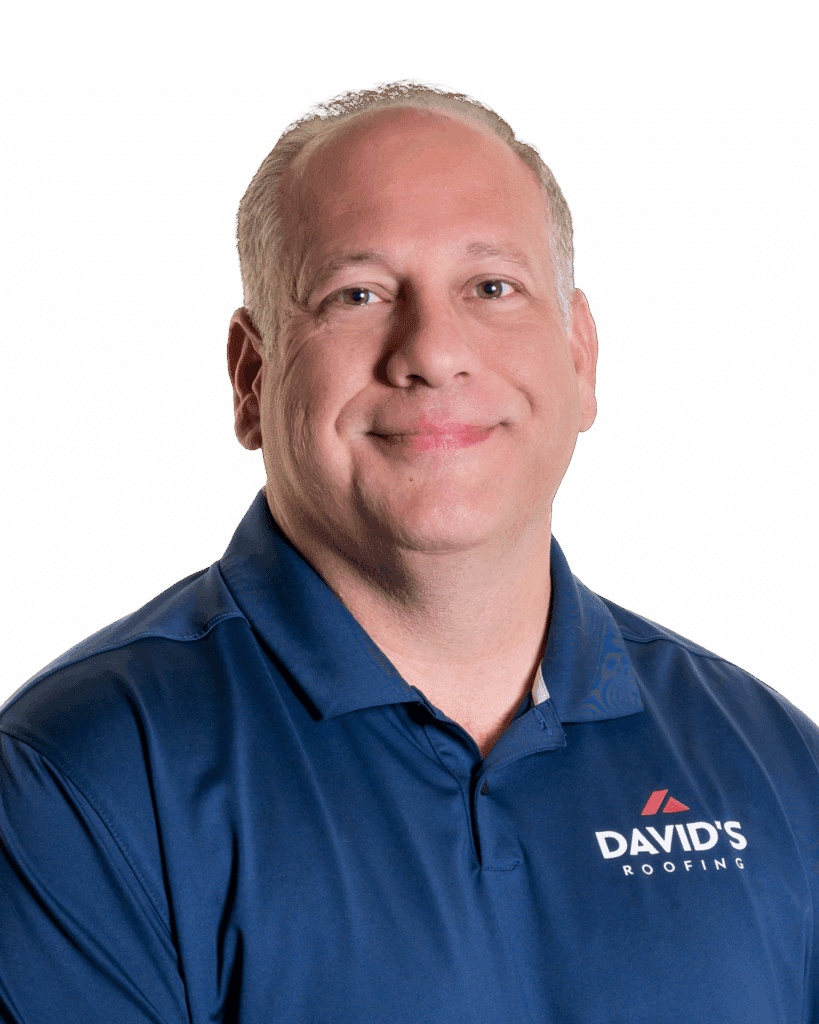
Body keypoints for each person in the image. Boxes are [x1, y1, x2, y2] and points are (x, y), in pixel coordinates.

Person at [1, 79, 816, 1024]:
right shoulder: (73, 783)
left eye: (492, 288)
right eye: (358, 293)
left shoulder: (776, 771)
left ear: (581, 358)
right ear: (252, 378)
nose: (432, 349)